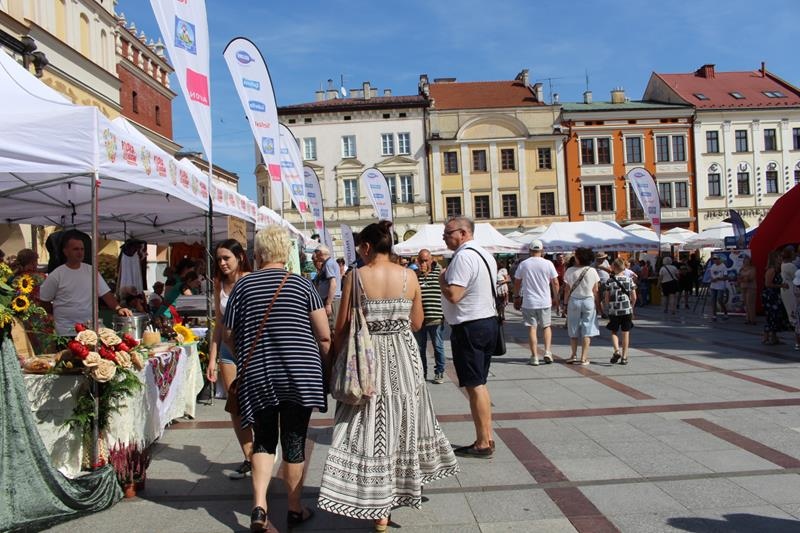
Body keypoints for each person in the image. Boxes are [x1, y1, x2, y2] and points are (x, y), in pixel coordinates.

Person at [318, 221, 458, 531]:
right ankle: (394, 495)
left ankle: (371, 498)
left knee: (366, 425)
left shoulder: (355, 276)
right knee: (402, 424)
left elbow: (342, 326)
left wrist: (336, 357)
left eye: (360, 248)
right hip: (405, 358)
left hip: (366, 360)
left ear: (367, 247)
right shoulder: (409, 276)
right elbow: (418, 323)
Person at [223, 226, 331, 532]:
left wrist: (245, 355)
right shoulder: (303, 285)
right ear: (286, 253)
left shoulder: (243, 287)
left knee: (264, 439)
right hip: (300, 374)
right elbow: (324, 336)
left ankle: (259, 506)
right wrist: (325, 369)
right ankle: (295, 509)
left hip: (258, 375)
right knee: (294, 441)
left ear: (258, 254)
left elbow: (228, 333)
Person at [438, 216, 498, 458]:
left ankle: (483, 442)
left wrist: (442, 279)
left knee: (475, 385)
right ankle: (487, 436)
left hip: (470, 326)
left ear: (463, 233)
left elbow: (454, 295)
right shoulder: (485, 254)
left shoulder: (463, 257)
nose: (444, 237)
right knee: (479, 383)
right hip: (486, 322)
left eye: (448, 233)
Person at [205, 239, 254, 480]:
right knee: (235, 405)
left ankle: (263, 449)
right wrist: (212, 358)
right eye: (219, 259)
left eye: (227, 258)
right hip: (227, 350)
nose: (222, 263)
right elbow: (219, 322)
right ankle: (249, 457)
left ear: (240, 257)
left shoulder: (250, 280)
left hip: (252, 349)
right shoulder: (219, 283)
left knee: (255, 402)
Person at [39, 233, 132, 335]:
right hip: (66, 332)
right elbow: (44, 301)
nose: (80, 252)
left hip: (90, 330)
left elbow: (106, 295)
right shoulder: (57, 275)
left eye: (82, 249)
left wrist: (118, 308)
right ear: (66, 252)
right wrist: (61, 314)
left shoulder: (91, 271)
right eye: (75, 249)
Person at [513, 239, 559, 366]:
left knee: (532, 329)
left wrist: (516, 297)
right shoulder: (548, 264)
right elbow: (555, 282)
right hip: (544, 301)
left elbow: (517, 282)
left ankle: (534, 356)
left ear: (530, 250)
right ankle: (547, 352)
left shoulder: (524, 264)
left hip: (529, 302)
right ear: (542, 250)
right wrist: (556, 298)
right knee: (546, 326)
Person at [563, 247, 600, 365]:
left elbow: (567, 290)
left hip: (574, 300)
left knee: (573, 328)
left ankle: (573, 355)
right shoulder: (592, 271)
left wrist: (565, 304)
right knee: (587, 329)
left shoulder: (569, 271)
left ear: (579, 258)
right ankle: (584, 358)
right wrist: (598, 304)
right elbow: (596, 289)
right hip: (588, 300)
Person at [415, 248, 446, 384]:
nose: (423, 263)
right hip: (419, 319)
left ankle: (439, 372)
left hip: (435, 317)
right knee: (420, 348)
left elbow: (441, 269)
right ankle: (422, 373)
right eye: (421, 261)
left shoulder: (438, 272)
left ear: (431, 260)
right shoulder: (415, 276)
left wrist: (433, 265)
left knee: (438, 346)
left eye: (426, 260)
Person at [605, 258, 637, 365]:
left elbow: (606, 298)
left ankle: (616, 351)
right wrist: (632, 307)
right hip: (626, 310)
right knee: (625, 333)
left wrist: (607, 308)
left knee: (614, 331)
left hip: (614, 310)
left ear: (614, 267)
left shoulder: (610, 281)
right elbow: (634, 297)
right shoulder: (629, 280)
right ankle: (624, 357)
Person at [762, 251, 791, 345]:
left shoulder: (777, 269)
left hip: (776, 296)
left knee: (776, 316)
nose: (781, 259)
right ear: (774, 259)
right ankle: (766, 338)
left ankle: (774, 337)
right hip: (770, 296)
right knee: (771, 316)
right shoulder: (771, 270)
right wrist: (781, 285)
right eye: (779, 257)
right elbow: (768, 284)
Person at [312, 245, 342, 328]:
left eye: (316, 253)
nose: (315, 256)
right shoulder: (328, 263)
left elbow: (333, 283)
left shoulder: (329, 264)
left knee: (332, 327)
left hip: (331, 300)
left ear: (320, 253)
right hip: (331, 300)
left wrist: (328, 303)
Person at [707, 255, 729, 321]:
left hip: (720, 286)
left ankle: (725, 313)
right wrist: (712, 279)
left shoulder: (723, 266)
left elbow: (726, 277)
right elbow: (711, 275)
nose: (715, 260)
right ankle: (714, 315)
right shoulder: (713, 266)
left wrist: (718, 279)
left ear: (719, 259)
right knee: (713, 300)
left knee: (719, 299)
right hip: (713, 286)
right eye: (714, 259)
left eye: (716, 259)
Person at [780, 246, 798, 326]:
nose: (795, 255)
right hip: (791, 288)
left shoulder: (783, 264)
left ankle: (793, 323)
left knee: (790, 308)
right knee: (794, 307)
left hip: (786, 289)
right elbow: (796, 277)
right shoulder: (790, 266)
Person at [737, 255, 758, 325]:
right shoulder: (741, 269)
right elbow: (738, 278)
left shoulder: (753, 269)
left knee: (750, 303)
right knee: (746, 303)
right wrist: (744, 278)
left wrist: (743, 278)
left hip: (751, 287)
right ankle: (747, 319)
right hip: (743, 287)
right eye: (745, 261)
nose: (746, 262)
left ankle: (753, 319)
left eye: (748, 261)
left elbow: (751, 278)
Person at [793, 270, 800, 350]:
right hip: (798, 308)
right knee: (798, 327)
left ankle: (797, 344)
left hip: (797, 308)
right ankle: (797, 343)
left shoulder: (795, 286)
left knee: (797, 327)